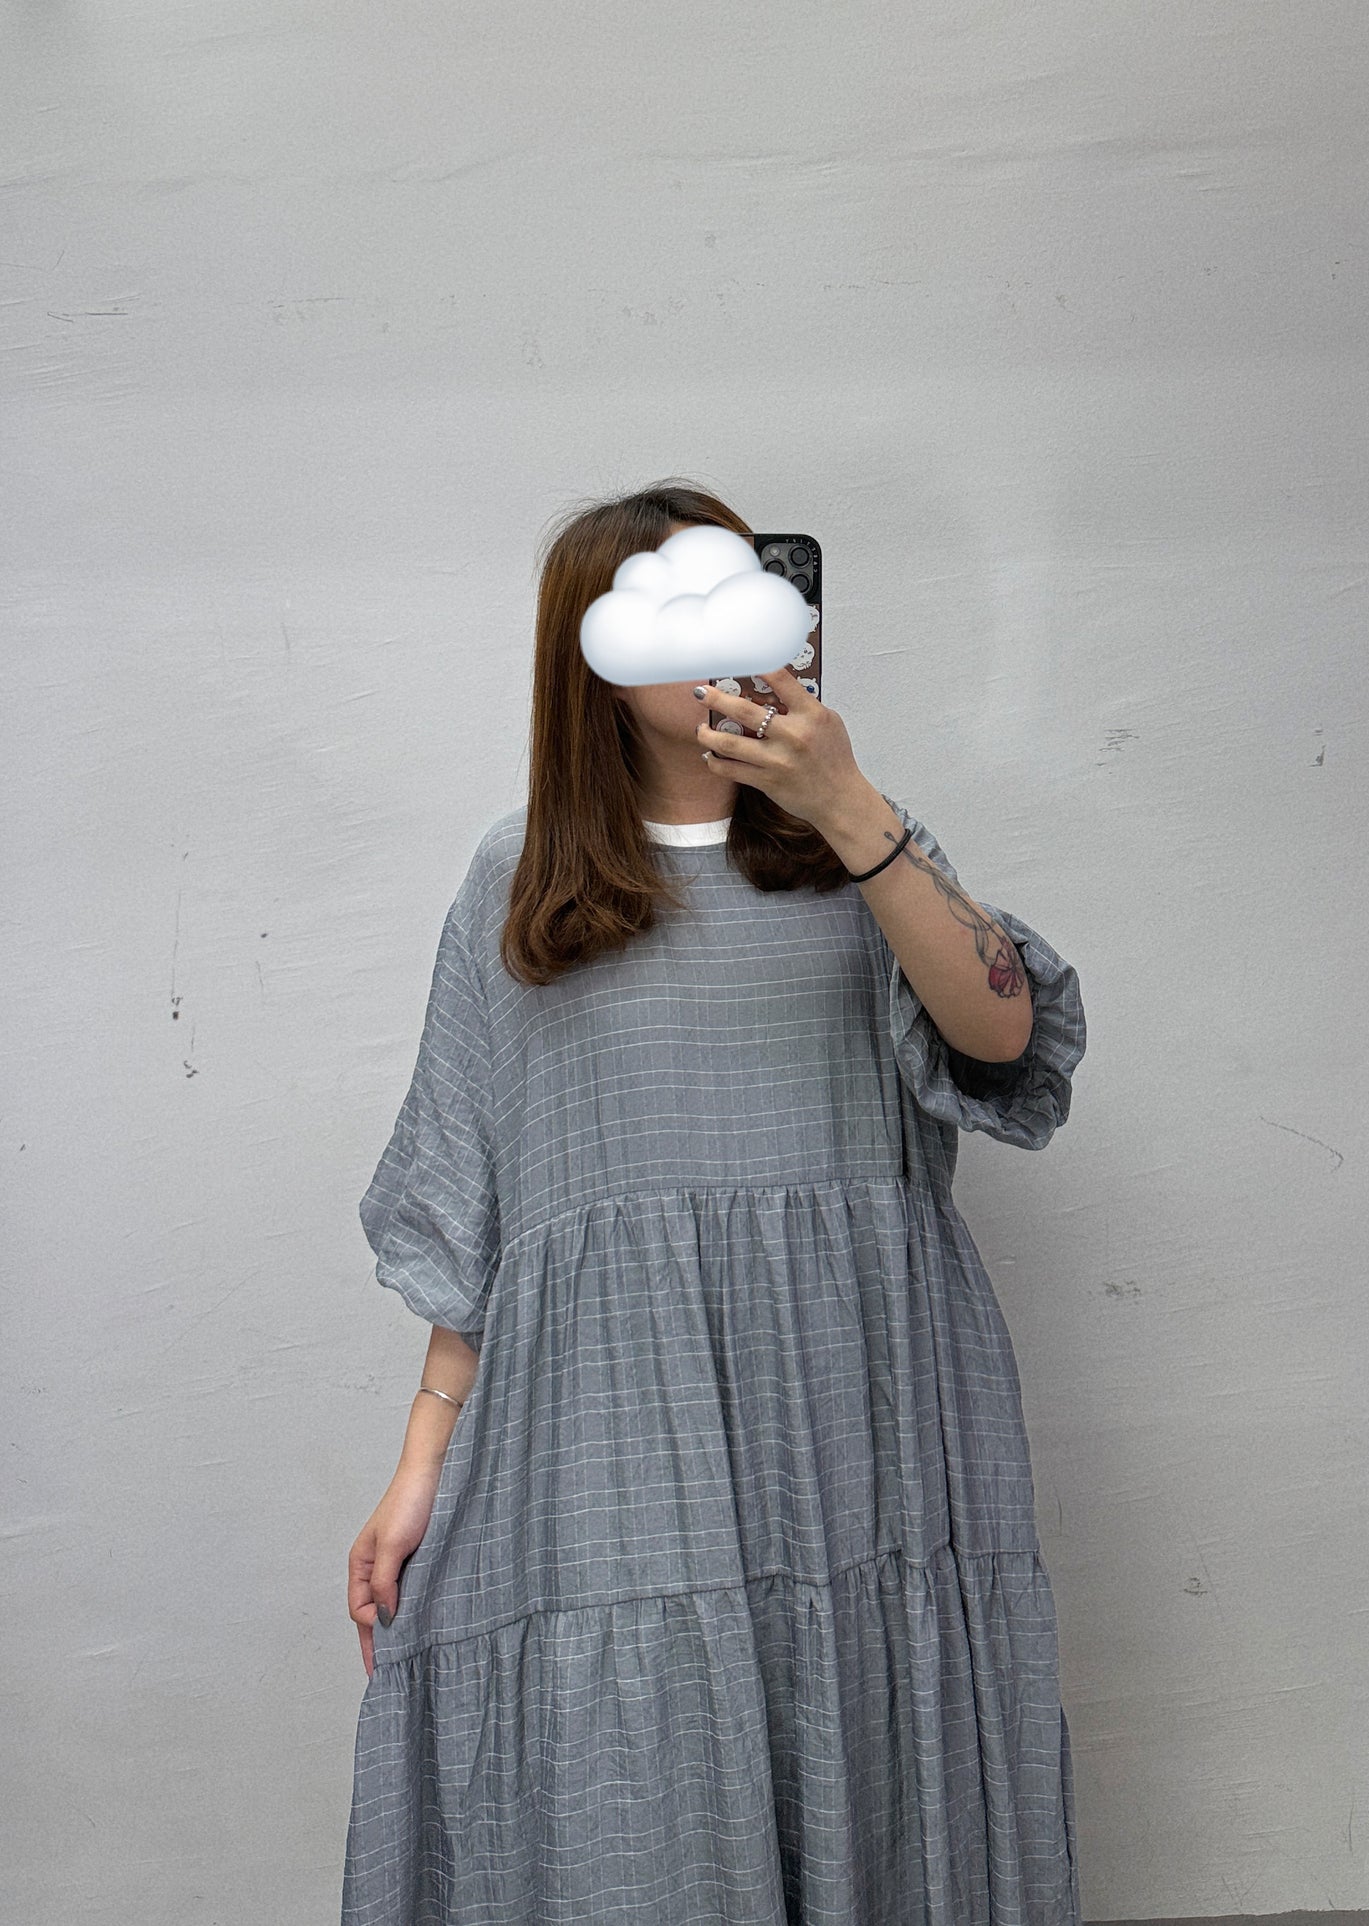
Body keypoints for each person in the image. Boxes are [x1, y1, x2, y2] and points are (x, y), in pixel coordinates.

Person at [342, 479, 1087, 1925]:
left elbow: (1004, 1037)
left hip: (860, 1414)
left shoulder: (867, 854)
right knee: (645, 1780)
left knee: (868, 1740)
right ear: (594, 658)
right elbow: (476, 1202)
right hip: (619, 1429)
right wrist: (421, 1462)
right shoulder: (518, 885)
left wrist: (851, 809)